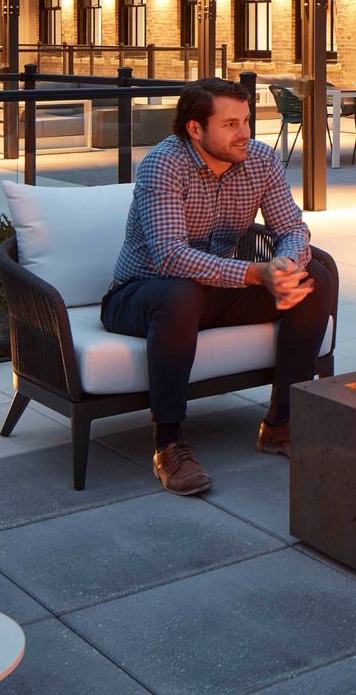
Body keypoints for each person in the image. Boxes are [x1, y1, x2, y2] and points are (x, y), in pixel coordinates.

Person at [102, 77, 338, 496]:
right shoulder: (164, 164)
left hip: (210, 292)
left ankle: (281, 424)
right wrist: (256, 274)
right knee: (179, 293)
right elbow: (171, 257)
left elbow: (292, 228)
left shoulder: (260, 160)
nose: (244, 132)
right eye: (230, 124)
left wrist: (285, 265)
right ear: (195, 128)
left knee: (315, 277)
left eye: (246, 120)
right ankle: (168, 446)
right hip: (142, 294)